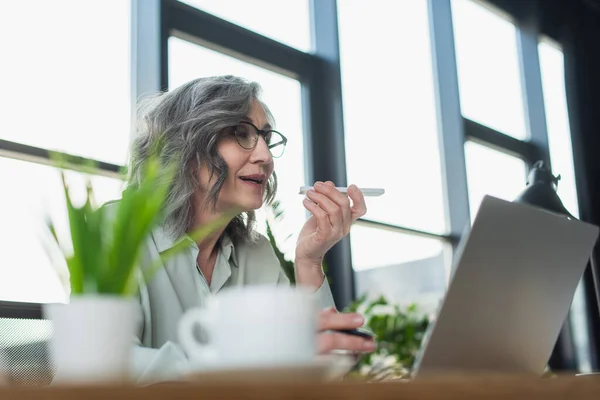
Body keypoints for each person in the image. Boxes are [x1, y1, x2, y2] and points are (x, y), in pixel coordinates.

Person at [125, 75, 375, 380]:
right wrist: (236, 366)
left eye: (266, 138)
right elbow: (108, 363)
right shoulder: (117, 234)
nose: (265, 157)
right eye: (241, 133)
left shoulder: (256, 253)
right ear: (186, 148)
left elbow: (316, 375)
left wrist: (308, 261)